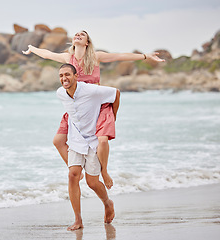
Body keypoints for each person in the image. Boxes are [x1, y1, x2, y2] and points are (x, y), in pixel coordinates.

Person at [23, 30, 165, 189]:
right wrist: (32, 48)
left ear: (87, 42)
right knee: (57, 141)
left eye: (82, 35)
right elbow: (47, 54)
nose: (78, 35)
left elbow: (119, 56)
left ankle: (104, 172)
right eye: (76, 34)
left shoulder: (96, 57)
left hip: (98, 105)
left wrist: (145, 56)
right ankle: (75, 169)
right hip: (77, 107)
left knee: (102, 141)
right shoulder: (67, 58)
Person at [57, 63, 120, 230]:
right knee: (73, 175)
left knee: (92, 182)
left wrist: (111, 120)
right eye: (61, 75)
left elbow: (116, 93)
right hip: (76, 138)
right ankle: (78, 220)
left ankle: (107, 203)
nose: (64, 78)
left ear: (76, 76)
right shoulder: (60, 93)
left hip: (93, 139)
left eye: (67, 75)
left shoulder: (91, 90)